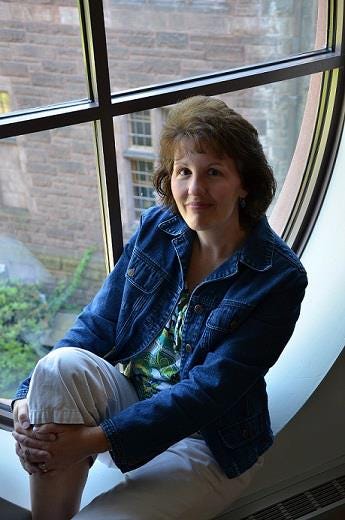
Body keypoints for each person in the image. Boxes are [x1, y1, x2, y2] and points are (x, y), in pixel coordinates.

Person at [12, 95, 308, 520]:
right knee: (60, 366)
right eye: (183, 171)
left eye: (214, 173)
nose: (194, 189)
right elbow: (100, 323)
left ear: (246, 183)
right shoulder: (158, 227)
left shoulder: (278, 278)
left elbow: (208, 392)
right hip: (130, 406)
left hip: (208, 445)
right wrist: (25, 401)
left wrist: (91, 441)